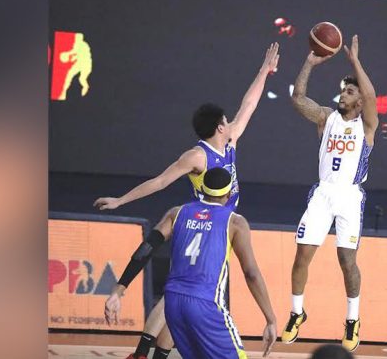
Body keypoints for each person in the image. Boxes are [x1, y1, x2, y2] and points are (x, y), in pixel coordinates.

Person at [94, 42, 279, 359]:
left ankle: (154, 354)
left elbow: (249, 104)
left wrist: (264, 71)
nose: (231, 120)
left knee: (179, 301)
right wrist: (121, 201)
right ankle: (141, 352)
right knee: (180, 296)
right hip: (206, 223)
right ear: (219, 126)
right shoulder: (196, 156)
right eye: (226, 119)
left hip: (221, 222)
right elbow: (160, 180)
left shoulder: (230, 137)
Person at [105, 168, 277, 359]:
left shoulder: (177, 213)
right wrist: (270, 319)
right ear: (229, 194)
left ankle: (141, 354)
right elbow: (251, 273)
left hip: (172, 303)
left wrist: (118, 290)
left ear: (202, 188)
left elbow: (145, 250)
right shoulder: (235, 222)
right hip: (206, 304)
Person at [280, 35, 378, 353]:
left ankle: (352, 319)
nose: (343, 94)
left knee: (346, 261)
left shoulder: (367, 126)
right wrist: (308, 63)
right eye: (344, 89)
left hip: (349, 197)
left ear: (359, 100)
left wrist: (355, 63)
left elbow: (371, 94)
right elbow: (297, 98)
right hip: (323, 193)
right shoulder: (326, 117)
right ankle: (297, 312)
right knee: (301, 256)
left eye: (350, 91)